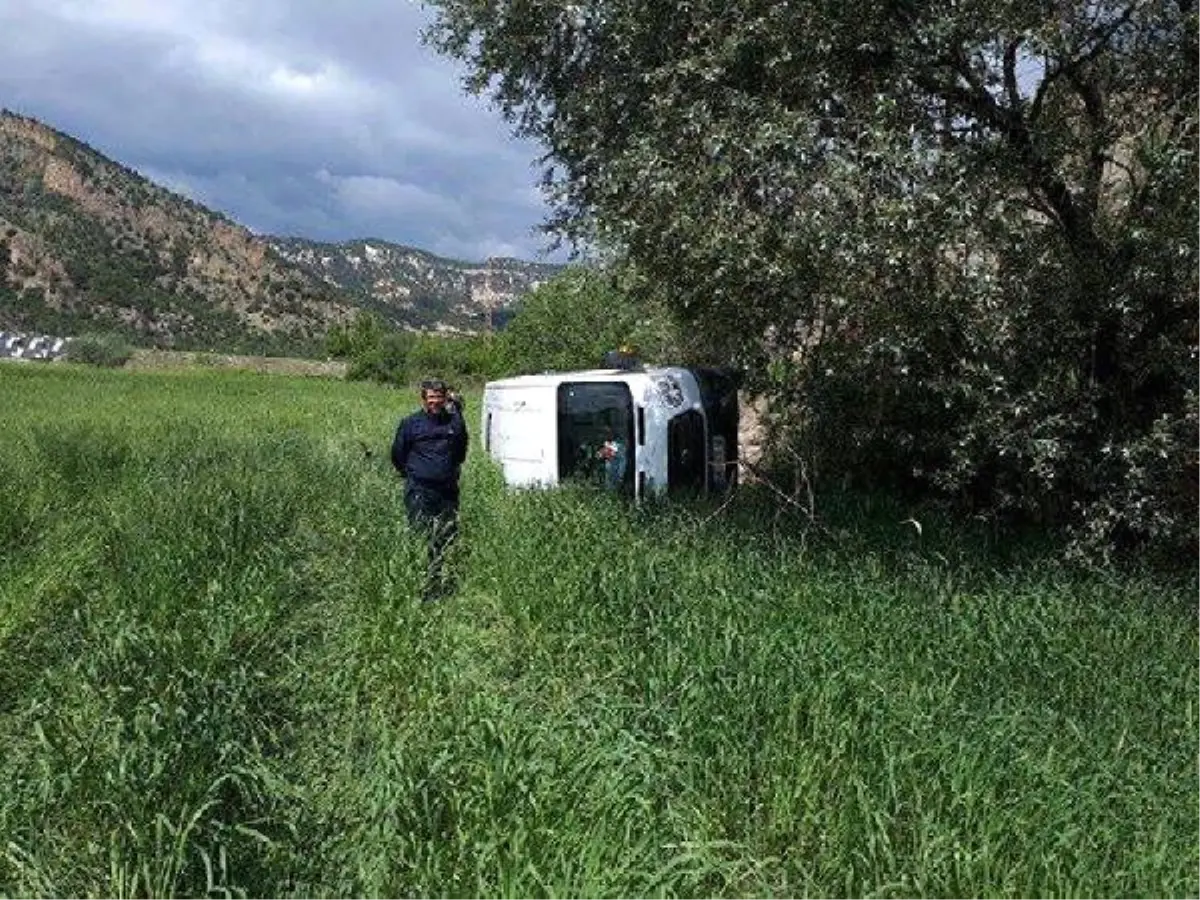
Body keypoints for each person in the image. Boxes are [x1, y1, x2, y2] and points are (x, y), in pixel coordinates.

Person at [391, 378, 469, 600]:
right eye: (431, 398)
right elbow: (398, 455)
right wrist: (415, 474)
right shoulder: (410, 424)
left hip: (447, 491)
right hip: (420, 490)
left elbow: (461, 451)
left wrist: (458, 412)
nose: (435, 402)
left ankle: (441, 581)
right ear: (423, 399)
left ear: (445, 398)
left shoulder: (453, 423)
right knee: (420, 535)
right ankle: (419, 585)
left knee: (446, 536)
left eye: (439, 397)